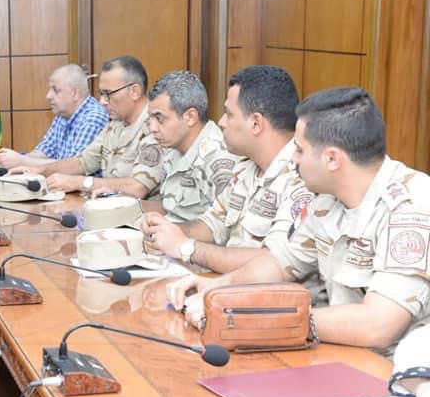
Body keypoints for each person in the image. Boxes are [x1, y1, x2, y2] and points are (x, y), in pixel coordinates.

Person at [168, 86, 430, 355]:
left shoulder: (412, 206)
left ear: (332, 159)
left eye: (300, 150)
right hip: (344, 353)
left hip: (398, 370)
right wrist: (217, 288)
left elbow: (378, 325)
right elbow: (281, 263)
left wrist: (255, 321)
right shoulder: (326, 198)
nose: (292, 159)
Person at [142, 66, 314, 273]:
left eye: (229, 114)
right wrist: (168, 231)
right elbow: (213, 223)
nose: (221, 122)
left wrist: (186, 247)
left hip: (260, 291)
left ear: (256, 123)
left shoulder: (303, 179)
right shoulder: (246, 166)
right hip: (227, 285)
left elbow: (274, 262)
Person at [9, 56, 163, 198]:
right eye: (101, 93)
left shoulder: (155, 126)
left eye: (108, 93)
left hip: (144, 214)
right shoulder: (116, 123)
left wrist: (80, 182)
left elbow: (138, 187)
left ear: (134, 91)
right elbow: (83, 162)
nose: (102, 101)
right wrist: (38, 171)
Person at [139, 70, 239, 222]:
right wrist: (125, 206)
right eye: (150, 118)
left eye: (159, 119)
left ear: (190, 117)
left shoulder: (218, 158)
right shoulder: (173, 147)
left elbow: (224, 227)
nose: (152, 128)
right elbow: (171, 208)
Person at [0, 64, 107, 169]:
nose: (48, 96)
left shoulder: (93, 118)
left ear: (75, 94)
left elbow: (73, 167)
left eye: (55, 90)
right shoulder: (63, 114)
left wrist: (22, 161)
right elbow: (43, 151)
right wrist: (11, 161)